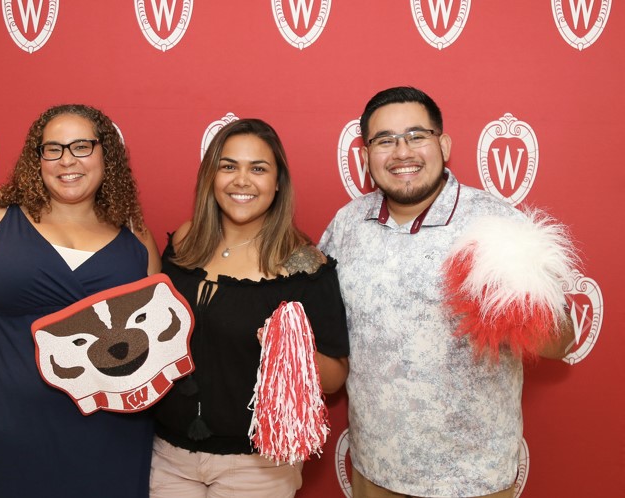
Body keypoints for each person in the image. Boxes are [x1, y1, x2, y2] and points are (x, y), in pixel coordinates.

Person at [318, 86, 576, 498]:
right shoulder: (348, 225)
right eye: (384, 140)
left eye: (417, 135)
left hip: (473, 479)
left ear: (443, 143)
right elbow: (320, 323)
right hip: (376, 471)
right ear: (366, 156)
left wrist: (516, 301)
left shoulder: (492, 221)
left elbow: (560, 342)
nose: (402, 151)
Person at [0, 104, 160, 498]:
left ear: (105, 154)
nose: (67, 160)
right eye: (53, 149)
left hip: (108, 430)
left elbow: (155, 341)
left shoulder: (135, 236)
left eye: (81, 146)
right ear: (36, 158)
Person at [149, 118, 350, 497]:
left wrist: (289, 348)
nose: (242, 180)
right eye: (229, 166)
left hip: (258, 465)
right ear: (211, 176)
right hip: (168, 455)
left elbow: (336, 378)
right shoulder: (186, 240)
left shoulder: (303, 265)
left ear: (277, 183)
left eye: (258, 169)